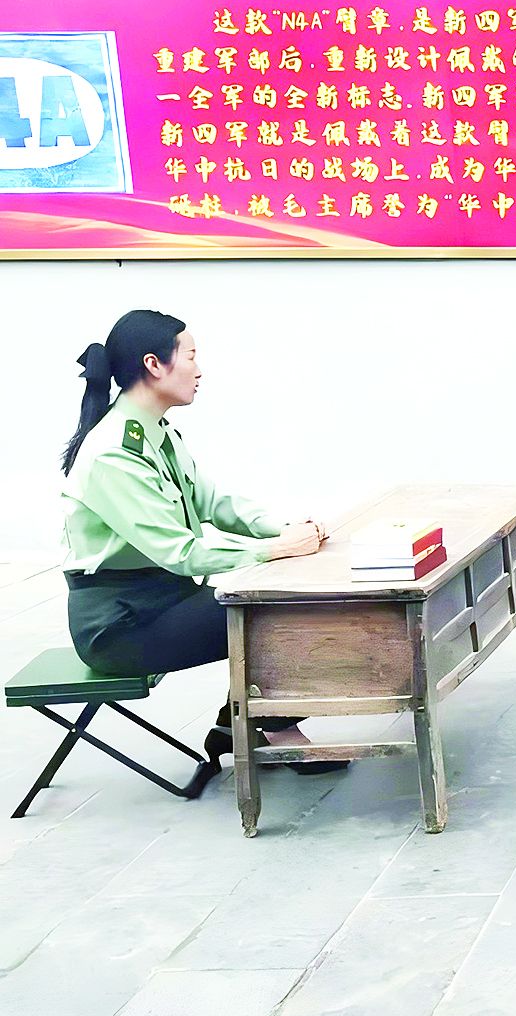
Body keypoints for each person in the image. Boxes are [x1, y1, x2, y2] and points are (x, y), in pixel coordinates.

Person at [59, 310, 343, 774]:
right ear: (154, 365)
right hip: (122, 626)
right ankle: (270, 729)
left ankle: (241, 728)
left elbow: (212, 501)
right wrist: (276, 549)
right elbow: (181, 552)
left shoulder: (156, 432)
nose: (199, 369)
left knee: (276, 596)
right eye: (190, 356)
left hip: (164, 600)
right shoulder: (113, 453)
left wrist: (284, 529)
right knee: (272, 609)